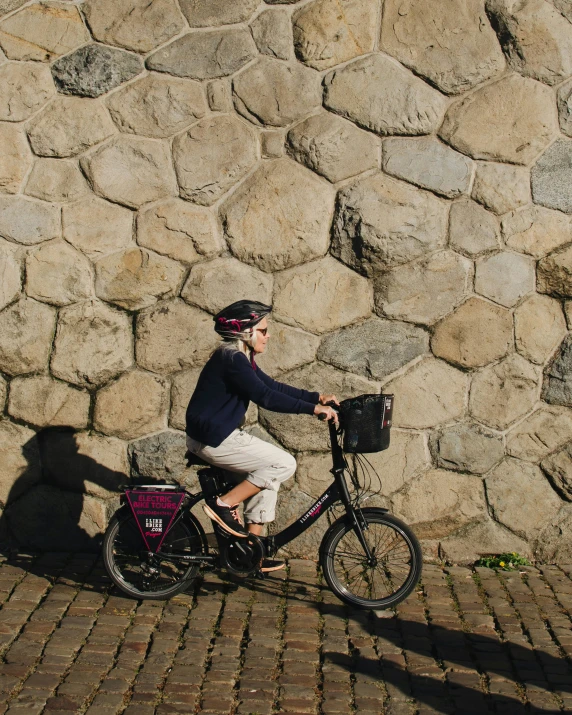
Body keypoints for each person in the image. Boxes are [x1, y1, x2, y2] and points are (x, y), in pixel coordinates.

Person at [185, 299, 339, 572]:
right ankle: (224, 504)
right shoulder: (232, 359)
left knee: (268, 478)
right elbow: (266, 397)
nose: (267, 336)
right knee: (283, 463)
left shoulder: (240, 358)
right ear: (246, 332)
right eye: (263, 330)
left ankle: (249, 554)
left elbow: (272, 386)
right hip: (213, 439)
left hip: (217, 436)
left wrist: (317, 397)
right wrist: (313, 409)